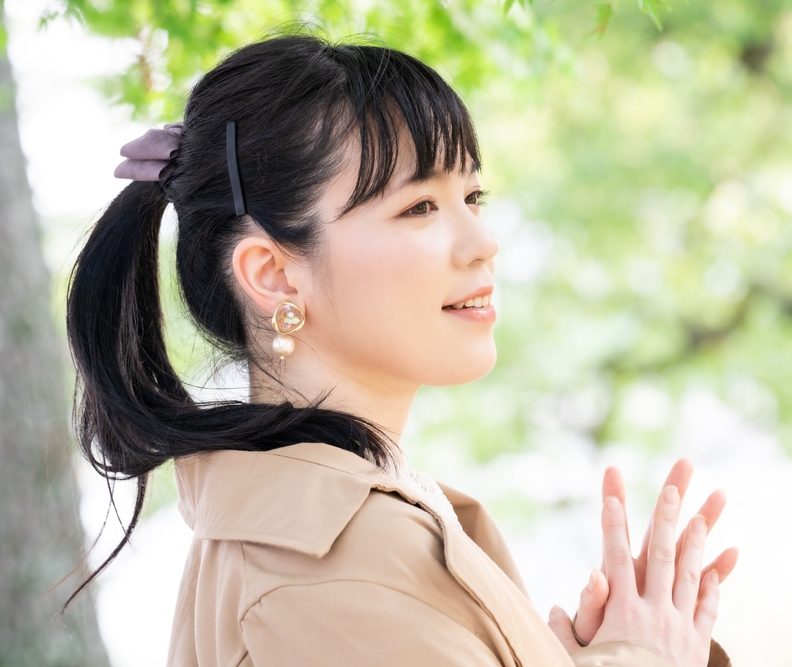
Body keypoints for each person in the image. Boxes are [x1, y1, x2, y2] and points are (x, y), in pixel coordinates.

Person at [66, 34, 739, 666]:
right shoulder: (331, 568)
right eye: (420, 206)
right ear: (274, 274)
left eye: (472, 195)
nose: (482, 241)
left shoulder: (333, 530)